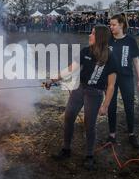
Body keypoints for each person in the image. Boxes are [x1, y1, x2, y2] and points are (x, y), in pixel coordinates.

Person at [46, 25, 118, 170]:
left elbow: (111, 86)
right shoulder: (85, 51)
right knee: (68, 117)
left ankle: (89, 156)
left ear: (100, 38)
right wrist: (53, 79)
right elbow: (70, 69)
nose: (89, 36)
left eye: (92, 33)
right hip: (79, 89)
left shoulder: (110, 58)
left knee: (89, 125)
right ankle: (66, 150)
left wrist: (105, 105)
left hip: (95, 94)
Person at [107, 15, 139, 149]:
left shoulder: (130, 40)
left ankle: (131, 134)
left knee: (129, 106)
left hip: (127, 77)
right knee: (111, 106)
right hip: (111, 78)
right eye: (110, 25)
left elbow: (136, 61)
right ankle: (111, 135)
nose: (111, 27)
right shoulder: (108, 40)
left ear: (121, 25)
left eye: (114, 25)